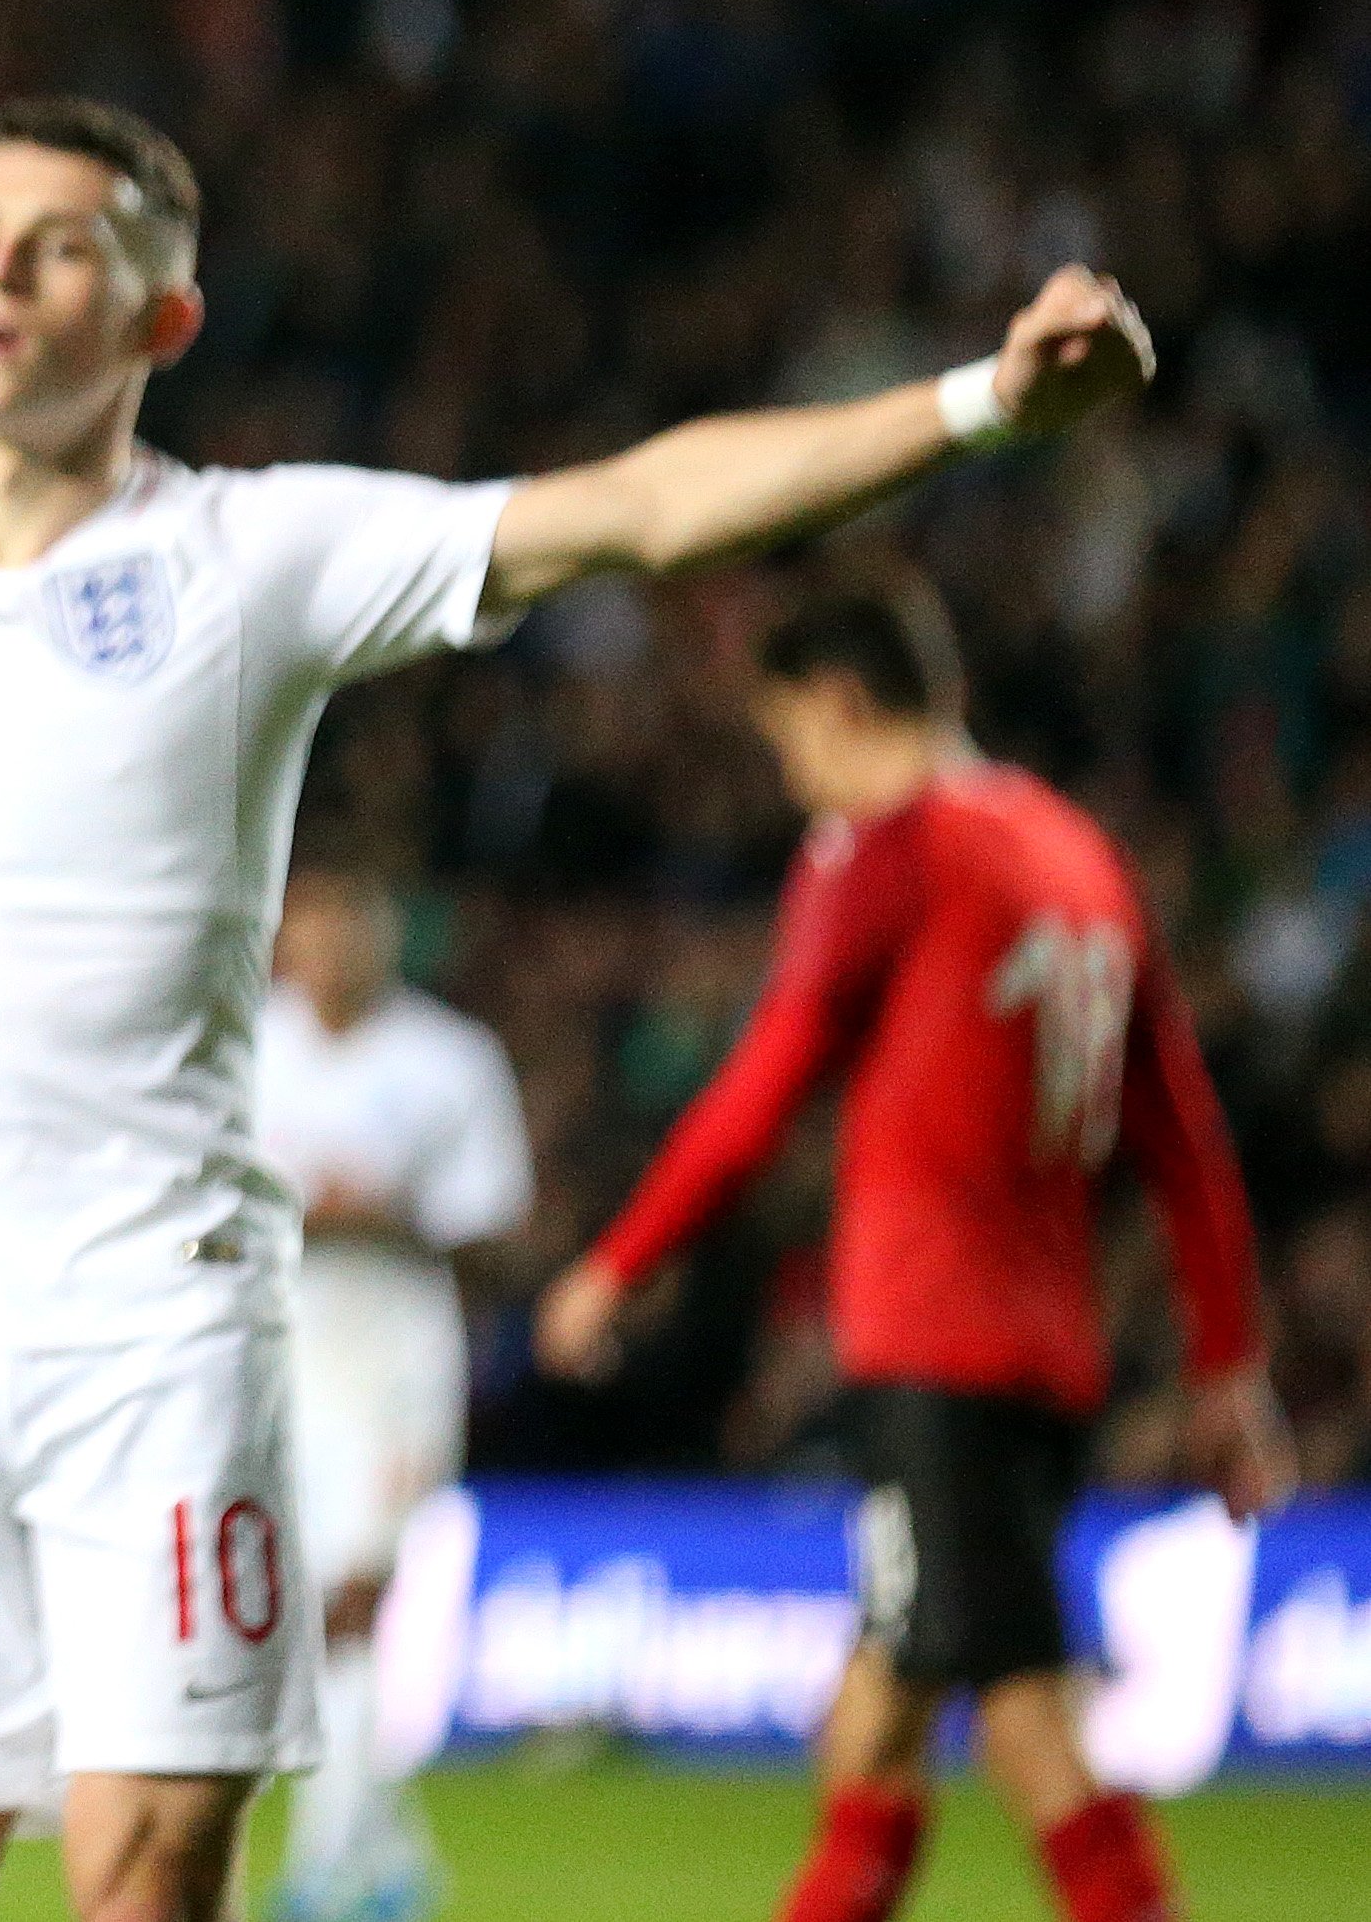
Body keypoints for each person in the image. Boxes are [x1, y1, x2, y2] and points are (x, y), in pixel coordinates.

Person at [0, 92, 1154, 1922]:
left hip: (155, 1346)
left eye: (59, 244)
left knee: (142, 1889)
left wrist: (980, 402)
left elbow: (633, 512)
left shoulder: (250, 558)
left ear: (157, 322)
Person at [536, 575, 1288, 1922]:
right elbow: (1183, 1136)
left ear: (839, 705)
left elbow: (764, 1080)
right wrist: (1227, 1362)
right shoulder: (1075, 850)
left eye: (790, 747)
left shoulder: (887, 849)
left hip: (937, 1352)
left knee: (1026, 1724)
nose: (797, 781)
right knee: (876, 1718)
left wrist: (619, 1260)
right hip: (1048, 1354)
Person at [254, 862, 530, 1922]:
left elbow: (499, 1233)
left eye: (350, 927)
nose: (329, 949)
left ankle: (323, 1872)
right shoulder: (244, 1045)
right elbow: (188, 1219)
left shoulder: (449, 1060)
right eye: (310, 928)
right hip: (271, 1354)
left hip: (393, 1361)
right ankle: (391, 1860)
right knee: (298, 1616)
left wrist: (383, 1217)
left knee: (354, 1602)